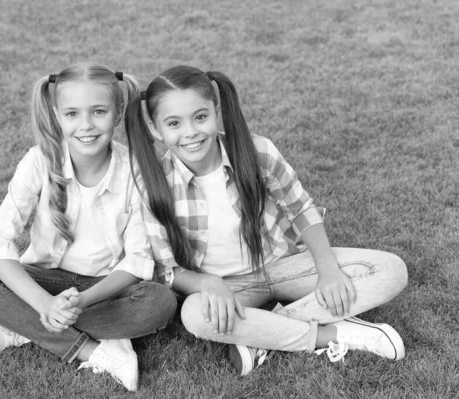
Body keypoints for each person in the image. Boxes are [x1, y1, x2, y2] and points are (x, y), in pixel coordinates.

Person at [124, 65, 408, 376]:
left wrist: (328, 270)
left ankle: (261, 335)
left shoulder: (257, 150)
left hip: (284, 265)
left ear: (216, 111)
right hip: (230, 288)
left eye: (200, 117)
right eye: (174, 123)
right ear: (154, 128)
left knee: (390, 270)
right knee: (195, 315)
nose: (190, 132)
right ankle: (331, 334)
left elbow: (300, 209)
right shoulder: (153, 183)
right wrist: (208, 283)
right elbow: (167, 270)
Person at [0, 63, 177, 392]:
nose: (86, 125)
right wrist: (44, 304)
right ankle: (92, 349)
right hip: (42, 283)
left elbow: (138, 260)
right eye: (72, 114)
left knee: (159, 302)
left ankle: (20, 324)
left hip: (103, 289)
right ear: (57, 115)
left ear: (118, 112)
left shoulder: (136, 169)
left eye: (98, 111)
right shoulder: (39, 161)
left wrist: (80, 302)